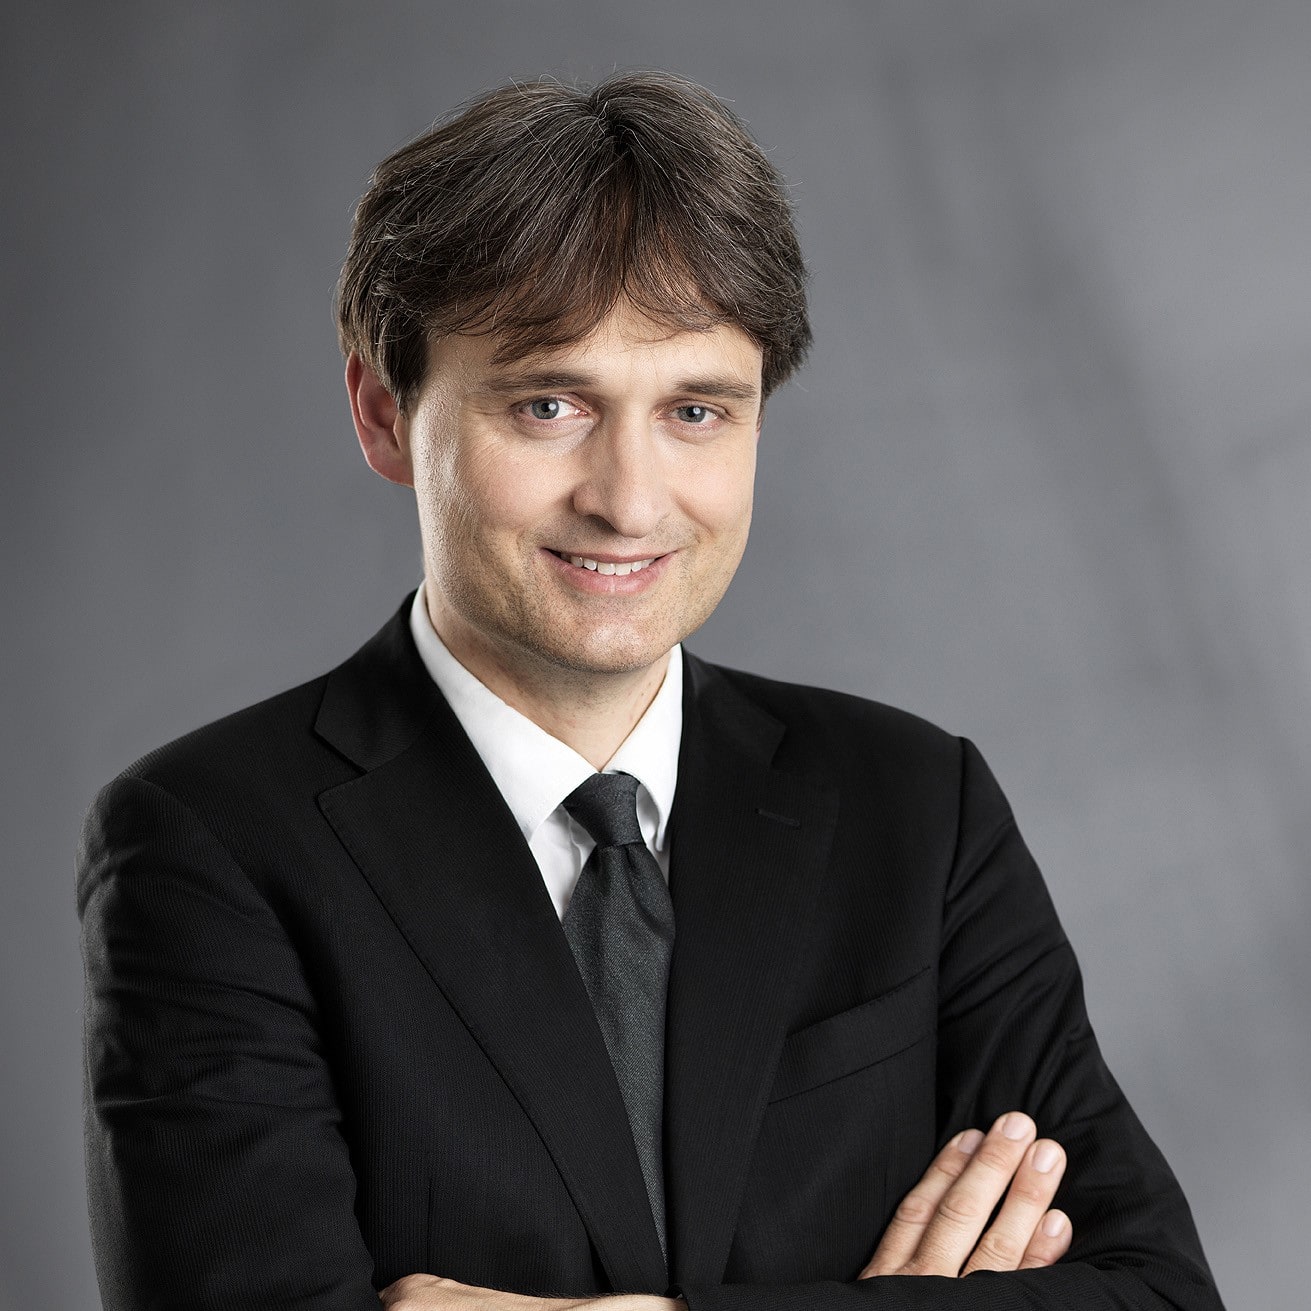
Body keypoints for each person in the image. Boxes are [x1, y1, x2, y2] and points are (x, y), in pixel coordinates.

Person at [77, 72, 1223, 1311]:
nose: (628, 500)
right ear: (383, 412)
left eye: (695, 410)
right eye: (548, 404)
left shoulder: (917, 806)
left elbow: (1156, 1295)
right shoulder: (210, 845)